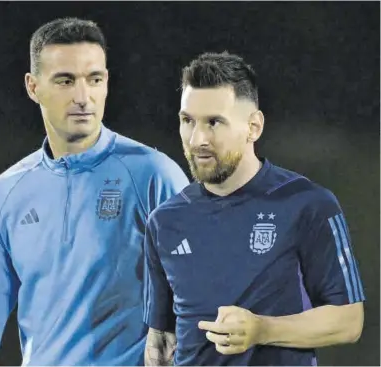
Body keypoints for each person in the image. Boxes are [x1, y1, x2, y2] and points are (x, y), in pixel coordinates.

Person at [0, 18, 189, 366]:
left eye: (94, 80)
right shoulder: (6, 193)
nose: (83, 97)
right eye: (65, 81)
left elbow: (199, 295)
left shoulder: (154, 175)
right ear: (33, 87)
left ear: (106, 82)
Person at [143, 52, 365, 366]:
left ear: (254, 127)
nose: (198, 139)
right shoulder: (165, 221)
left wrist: (263, 329)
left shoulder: (307, 204)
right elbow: (162, 338)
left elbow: (349, 321)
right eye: (187, 121)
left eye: (214, 122)